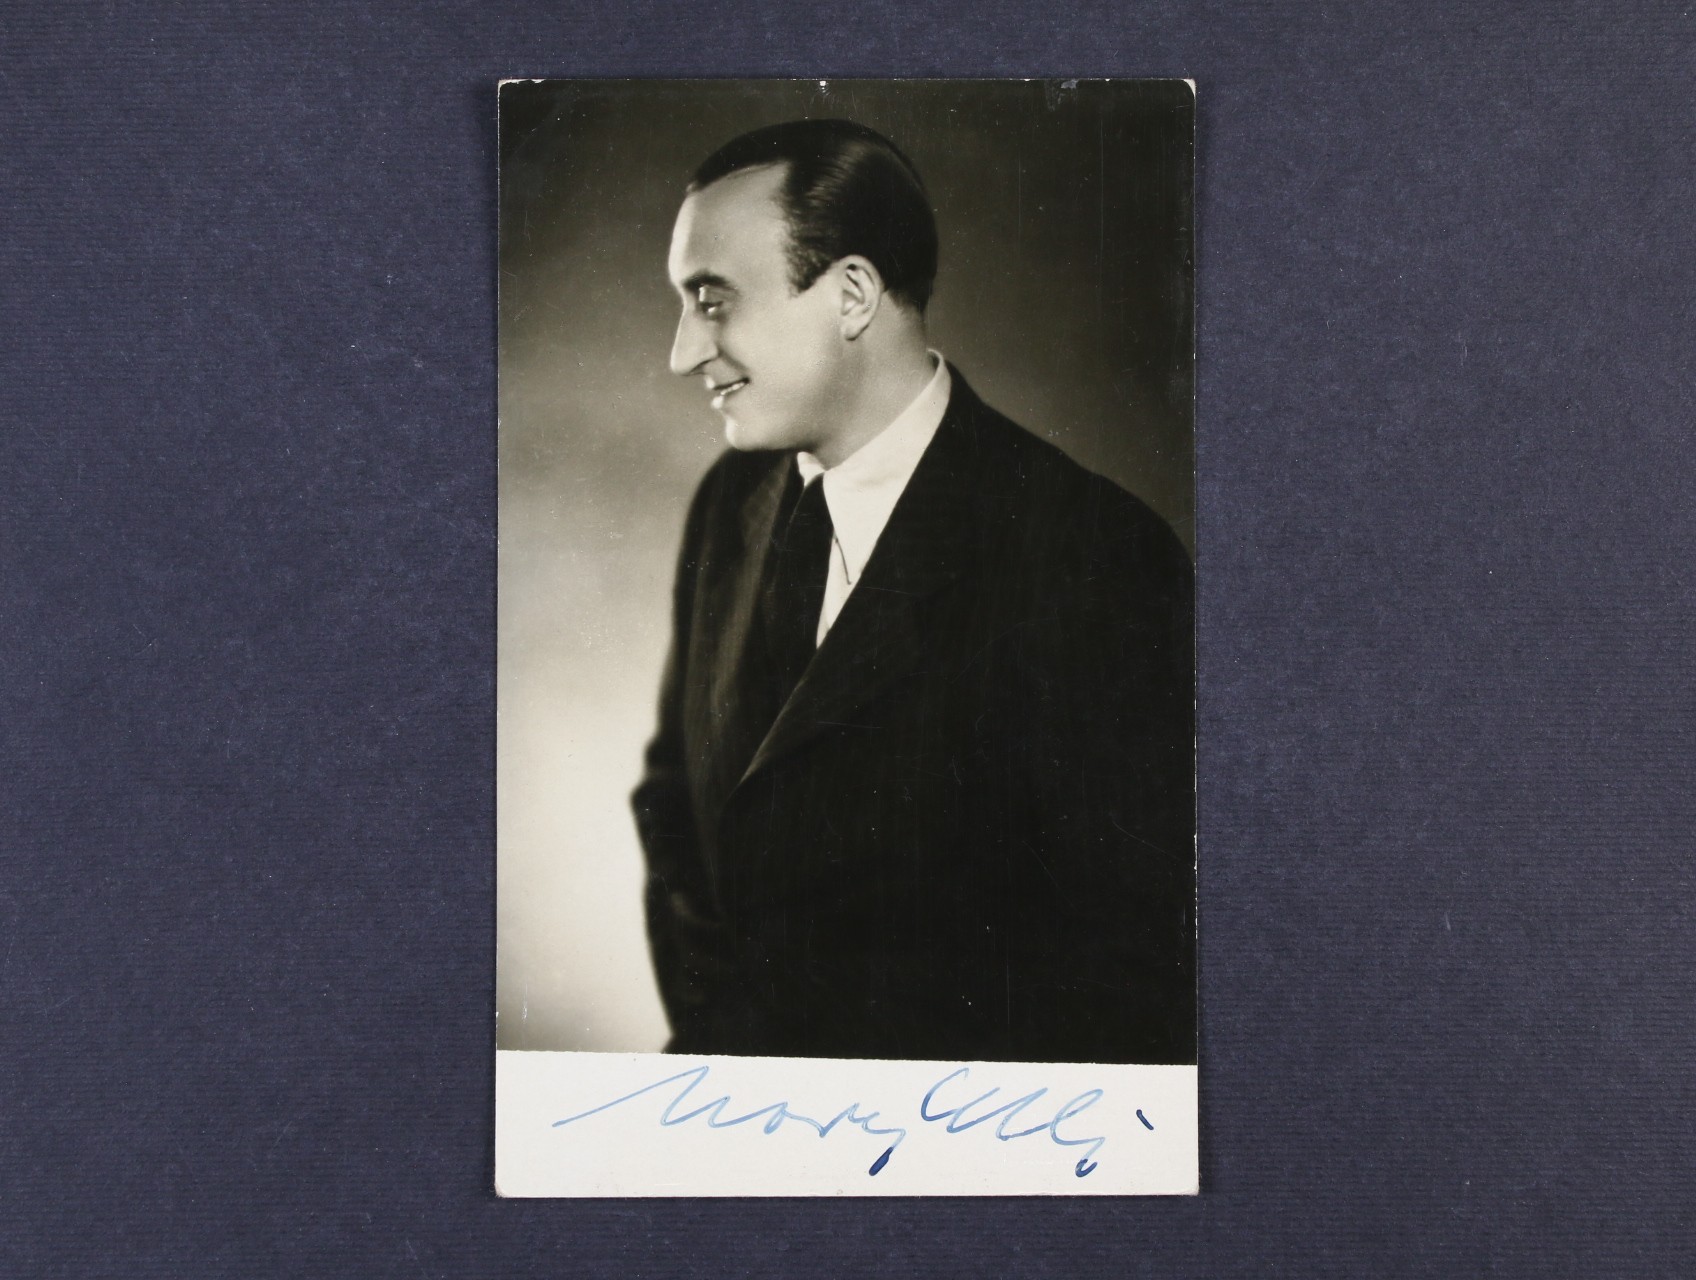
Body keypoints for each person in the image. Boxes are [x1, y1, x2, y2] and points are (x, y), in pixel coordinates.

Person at [632, 119, 1194, 1064]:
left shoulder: (1099, 556)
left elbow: (1123, 970)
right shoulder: (731, 502)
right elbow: (676, 804)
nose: (684, 352)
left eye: (713, 300)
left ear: (852, 294)